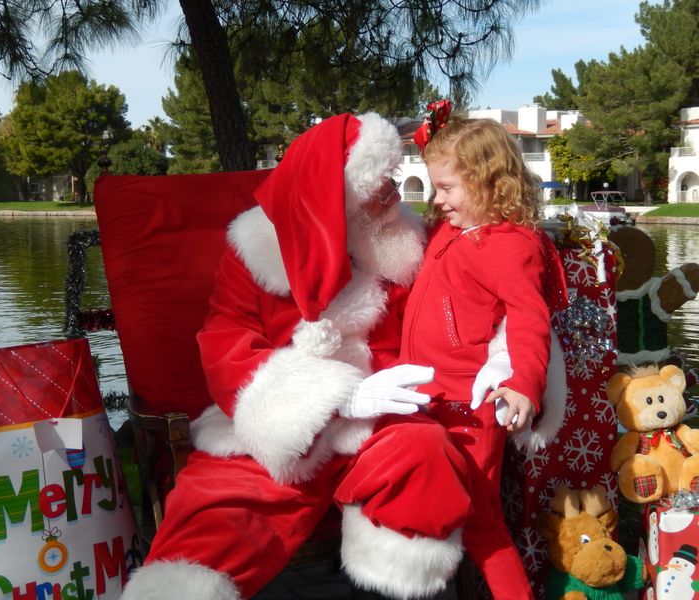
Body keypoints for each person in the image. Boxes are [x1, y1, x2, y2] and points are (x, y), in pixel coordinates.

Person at [122, 112, 486, 600]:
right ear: (336, 199)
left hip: (384, 414)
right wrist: (335, 399)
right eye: (380, 185)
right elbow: (225, 347)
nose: (395, 193)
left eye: (392, 179)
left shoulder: (409, 243)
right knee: (214, 511)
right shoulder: (254, 252)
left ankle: (396, 588)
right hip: (286, 428)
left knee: (424, 455)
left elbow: (465, 305)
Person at [398, 107, 570, 598]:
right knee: (428, 508)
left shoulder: (510, 246)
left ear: (490, 182)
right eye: (436, 188)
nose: (438, 199)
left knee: (480, 522)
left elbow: (529, 321)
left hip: (469, 405)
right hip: (423, 395)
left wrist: (523, 385)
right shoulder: (450, 232)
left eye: (448, 188)